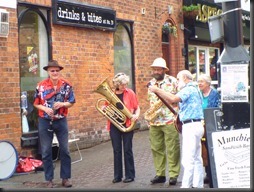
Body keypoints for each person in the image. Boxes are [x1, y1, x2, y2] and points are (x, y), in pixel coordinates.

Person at [149, 70, 204, 188]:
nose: (177, 82)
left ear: (185, 78)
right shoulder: (195, 88)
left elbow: (173, 98)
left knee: (188, 159)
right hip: (197, 125)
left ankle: (186, 186)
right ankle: (198, 184)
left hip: (190, 125)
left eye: (179, 79)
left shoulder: (188, 89)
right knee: (197, 157)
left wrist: (158, 90)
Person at [33, 60, 76, 188]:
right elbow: (36, 103)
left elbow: (72, 101)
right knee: (46, 151)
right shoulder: (40, 85)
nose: (55, 73)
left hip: (61, 120)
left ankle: (65, 178)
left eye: (57, 70)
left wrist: (62, 104)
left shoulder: (67, 85)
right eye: (52, 71)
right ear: (48, 72)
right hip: (45, 121)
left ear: (59, 71)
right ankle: (49, 179)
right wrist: (45, 109)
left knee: (65, 150)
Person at [146, 57, 180, 186]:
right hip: (155, 121)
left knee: (173, 148)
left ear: (164, 70)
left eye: (158, 69)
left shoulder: (173, 81)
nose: (155, 71)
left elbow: (179, 99)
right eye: (154, 69)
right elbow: (150, 101)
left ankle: (173, 174)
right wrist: (149, 118)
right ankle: (160, 174)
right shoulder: (150, 83)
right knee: (156, 148)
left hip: (170, 119)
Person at [106, 73, 140, 183]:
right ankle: (117, 176)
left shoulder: (130, 93)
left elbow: (137, 107)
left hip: (128, 124)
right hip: (114, 124)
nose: (125, 86)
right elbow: (106, 107)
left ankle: (130, 175)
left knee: (127, 149)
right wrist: (104, 108)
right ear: (117, 84)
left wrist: (136, 115)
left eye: (126, 84)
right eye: (122, 84)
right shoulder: (111, 94)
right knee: (116, 150)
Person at [197, 74, 220, 185]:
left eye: (202, 81)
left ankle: (212, 174)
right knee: (203, 151)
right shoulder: (198, 93)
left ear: (208, 83)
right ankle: (207, 173)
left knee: (210, 149)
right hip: (200, 123)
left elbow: (217, 107)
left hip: (210, 124)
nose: (199, 84)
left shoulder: (214, 93)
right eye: (198, 81)